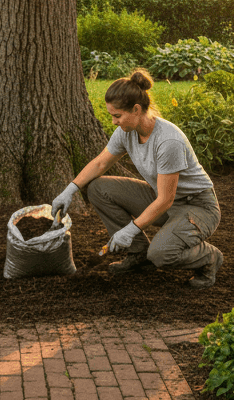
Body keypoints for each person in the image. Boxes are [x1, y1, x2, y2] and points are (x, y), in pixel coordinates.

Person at [51, 68, 223, 287]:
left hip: (197, 207)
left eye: (117, 116)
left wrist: (130, 230)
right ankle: (137, 253)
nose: (113, 122)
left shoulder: (168, 141)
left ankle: (209, 257)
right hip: (162, 198)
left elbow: (166, 200)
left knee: (160, 255)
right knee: (98, 188)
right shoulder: (127, 132)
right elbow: (100, 163)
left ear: (136, 109)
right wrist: (70, 190)